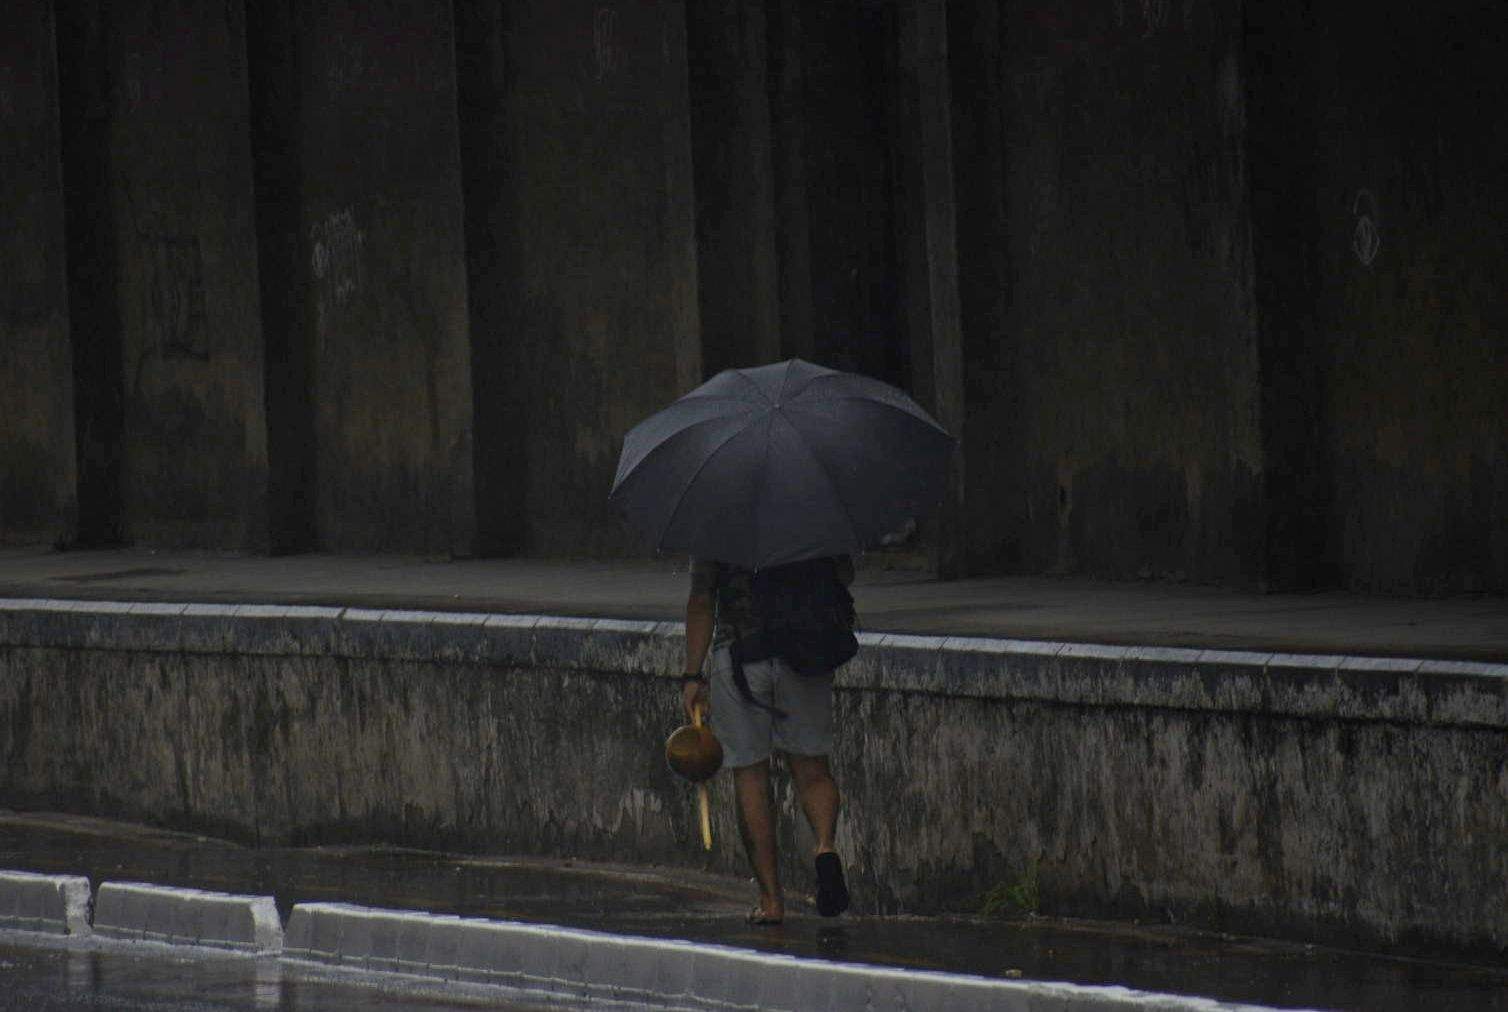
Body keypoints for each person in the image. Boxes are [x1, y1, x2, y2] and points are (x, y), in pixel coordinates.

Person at [680, 555, 854, 925]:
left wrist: (692, 675)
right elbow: (844, 576)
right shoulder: (812, 509)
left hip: (741, 655)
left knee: (751, 776)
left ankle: (771, 901)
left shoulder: (716, 516)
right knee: (813, 770)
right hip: (805, 651)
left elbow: (701, 600)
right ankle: (824, 845)